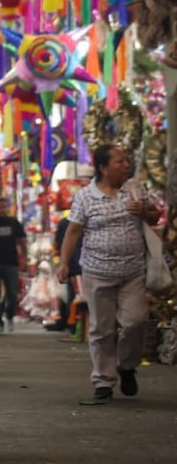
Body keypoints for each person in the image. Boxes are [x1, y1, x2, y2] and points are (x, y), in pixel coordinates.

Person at [56, 144, 160, 404]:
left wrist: (144, 213)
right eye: (119, 161)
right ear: (103, 167)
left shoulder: (135, 189)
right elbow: (73, 231)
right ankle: (103, 381)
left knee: (136, 322)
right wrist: (64, 263)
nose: (126, 165)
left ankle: (126, 365)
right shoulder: (85, 197)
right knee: (102, 329)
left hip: (132, 271)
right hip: (97, 272)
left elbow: (155, 217)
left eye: (126, 160)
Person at [0, 197, 27, 333]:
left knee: (13, 294)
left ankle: (9, 316)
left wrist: (24, 258)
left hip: (11, 263)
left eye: (5, 206)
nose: (3, 209)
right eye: (0, 207)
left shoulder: (13, 222)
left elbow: (22, 241)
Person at [48, 211, 83, 333]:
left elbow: (57, 242)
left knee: (72, 295)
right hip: (84, 264)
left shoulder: (64, 222)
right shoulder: (85, 220)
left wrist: (63, 262)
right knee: (80, 296)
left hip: (72, 263)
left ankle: (73, 324)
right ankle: (76, 324)